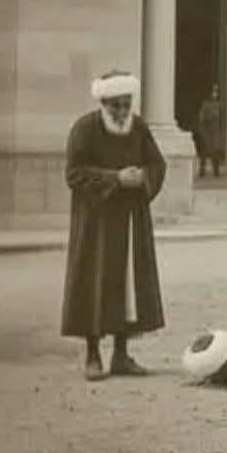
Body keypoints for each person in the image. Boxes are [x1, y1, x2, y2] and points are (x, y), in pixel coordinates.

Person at [61, 71, 166, 382]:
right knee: (94, 283)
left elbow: (157, 163)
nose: (122, 112)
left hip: (131, 220)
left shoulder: (139, 127)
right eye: (115, 106)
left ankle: (121, 354)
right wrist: (115, 178)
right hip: (96, 223)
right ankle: (93, 355)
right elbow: (74, 173)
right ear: (103, 103)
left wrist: (144, 177)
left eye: (126, 104)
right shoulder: (84, 129)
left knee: (128, 285)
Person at [197, 84, 225, 178]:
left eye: (216, 92)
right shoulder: (206, 105)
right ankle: (202, 171)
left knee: (215, 152)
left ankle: (216, 171)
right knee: (204, 152)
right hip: (207, 132)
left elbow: (222, 120)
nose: (214, 94)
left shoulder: (219, 105)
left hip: (216, 132)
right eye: (213, 91)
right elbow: (202, 118)